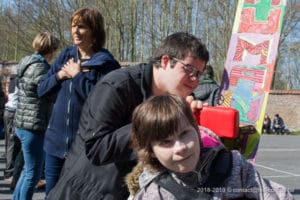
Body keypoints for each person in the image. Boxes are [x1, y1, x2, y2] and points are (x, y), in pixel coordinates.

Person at [47, 32, 209, 200]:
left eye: (199, 73)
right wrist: (154, 123)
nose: (194, 80)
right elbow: (96, 149)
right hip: (82, 192)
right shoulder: (117, 85)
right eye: (189, 69)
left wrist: (191, 124)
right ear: (165, 61)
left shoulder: (177, 100)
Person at [126, 94, 294, 200]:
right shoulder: (155, 193)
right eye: (165, 142)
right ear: (151, 152)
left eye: (184, 133)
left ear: (196, 130)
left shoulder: (234, 166)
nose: (180, 147)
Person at [37, 7, 121, 196]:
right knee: (51, 194)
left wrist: (76, 77)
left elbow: (102, 104)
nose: (75, 31)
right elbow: (42, 90)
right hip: (55, 144)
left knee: (76, 195)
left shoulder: (106, 65)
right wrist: (60, 75)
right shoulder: (66, 56)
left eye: (81, 27)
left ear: (94, 31)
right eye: (73, 26)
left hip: (84, 148)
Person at [12, 32, 60, 200]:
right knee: (34, 172)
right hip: (33, 124)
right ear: (50, 49)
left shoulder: (26, 62)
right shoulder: (41, 68)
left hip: (22, 123)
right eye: (54, 49)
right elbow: (46, 92)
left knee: (28, 170)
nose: (54, 53)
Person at [3, 75, 21, 190]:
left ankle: (9, 169)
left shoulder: (13, 79)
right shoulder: (20, 80)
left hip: (8, 111)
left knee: (9, 142)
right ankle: (9, 171)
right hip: (13, 112)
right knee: (12, 142)